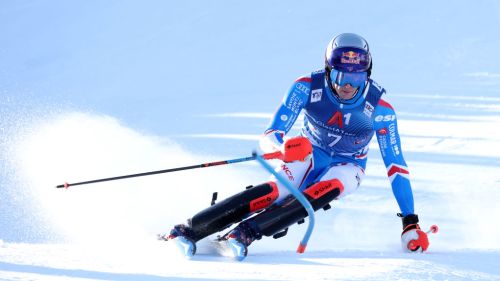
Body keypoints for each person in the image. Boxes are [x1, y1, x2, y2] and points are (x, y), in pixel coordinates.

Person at [163, 33, 430, 260]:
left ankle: (245, 233)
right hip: (308, 151)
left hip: (349, 165)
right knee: (275, 191)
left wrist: (410, 223)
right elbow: (271, 133)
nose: (348, 85)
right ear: (328, 70)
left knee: (326, 189)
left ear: (367, 75)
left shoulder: (380, 111)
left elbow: (396, 167)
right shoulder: (306, 87)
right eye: (340, 75)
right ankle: (187, 230)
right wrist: (283, 147)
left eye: (357, 78)